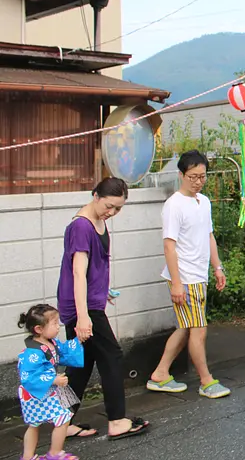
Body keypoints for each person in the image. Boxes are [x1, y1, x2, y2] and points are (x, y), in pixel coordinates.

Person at [57, 177, 149, 440]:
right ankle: (117, 420)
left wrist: (102, 289)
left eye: (118, 209)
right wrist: (84, 316)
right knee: (112, 355)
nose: (112, 213)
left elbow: (93, 267)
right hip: (82, 306)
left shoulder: (98, 221)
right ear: (95, 195)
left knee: (80, 365)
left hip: (88, 301)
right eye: (109, 206)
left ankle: (62, 421)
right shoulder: (81, 227)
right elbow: (77, 272)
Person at [147, 151, 229, 399]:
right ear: (181, 175)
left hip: (198, 275)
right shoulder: (174, 204)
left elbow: (209, 236)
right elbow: (168, 245)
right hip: (184, 277)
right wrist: (177, 283)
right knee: (198, 328)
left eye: (202, 176)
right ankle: (206, 381)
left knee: (186, 327)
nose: (198, 181)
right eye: (193, 176)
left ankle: (160, 374)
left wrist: (217, 267)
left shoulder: (203, 201)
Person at [17, 304, 84, 460]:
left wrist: (78, 340)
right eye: (54, 324)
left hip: (42, 392)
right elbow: (28, 377)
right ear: (39, 329)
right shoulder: (32, 353)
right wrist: (53, 379)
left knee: (34, 425)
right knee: (63, 417)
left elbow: (65, 351)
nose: (58, 327)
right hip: (37, 393)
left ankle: (28, 457)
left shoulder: (50, 343)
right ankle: (55, 453)